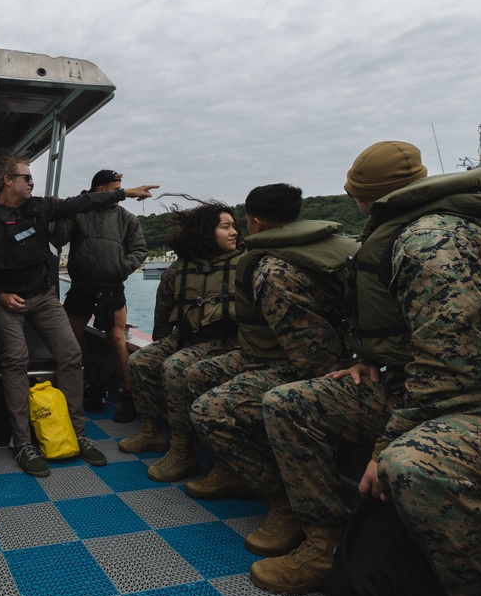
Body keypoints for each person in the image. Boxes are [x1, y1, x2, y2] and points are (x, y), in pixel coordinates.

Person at [249, 142, 481, 596]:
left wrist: (385, 445)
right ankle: (325, 542)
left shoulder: (431, 240)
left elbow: (453, 364)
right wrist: (367, 358)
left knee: (409, 466)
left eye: (355, 193)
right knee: (288, 403)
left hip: (468, 398)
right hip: (408, 383)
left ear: (370, 196)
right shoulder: (404, 231)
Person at [0, 154, 159, 477]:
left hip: (42, 296)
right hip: (7, 300)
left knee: (71, 354)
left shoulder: (41, 207)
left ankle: (77, 432)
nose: (32, 182)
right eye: (26, 177)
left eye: (32, 178)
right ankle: (22, 442)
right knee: (16, 358)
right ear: (8, 181)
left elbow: (82, 202)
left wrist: (124, 194)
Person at [181, 184, 358, 503]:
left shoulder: (273, 268)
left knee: (207, 410)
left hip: (290, 366)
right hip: (263, 354)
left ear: (255, 221)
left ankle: (281, 500)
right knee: (197, 375)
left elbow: (312, 356)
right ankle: (231, 467)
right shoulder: (320, 248)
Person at [117, 200, 242, 456]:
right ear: (207, 232)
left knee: (174, 366)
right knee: (140, 360)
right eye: (225, 227)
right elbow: (163, 314)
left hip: (228, 341)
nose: (234, 232)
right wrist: (162, 343)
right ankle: (152, 431)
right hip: (189, 336)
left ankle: (181, 449)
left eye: (234, 226)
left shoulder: (246, 265)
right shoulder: (179, 269)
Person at [51, 169, 148, 422]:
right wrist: (62, 212)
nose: (119, 193)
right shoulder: (79, 210)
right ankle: (64, 396)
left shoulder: (127, 219)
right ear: (101, 190)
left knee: (117, 341)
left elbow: (139, 250)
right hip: (82, 286)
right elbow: (59, 238)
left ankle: (130, 397)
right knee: (70, 343)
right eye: (115, 188)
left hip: (113, 286)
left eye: (121, 188)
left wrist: (120, 269)